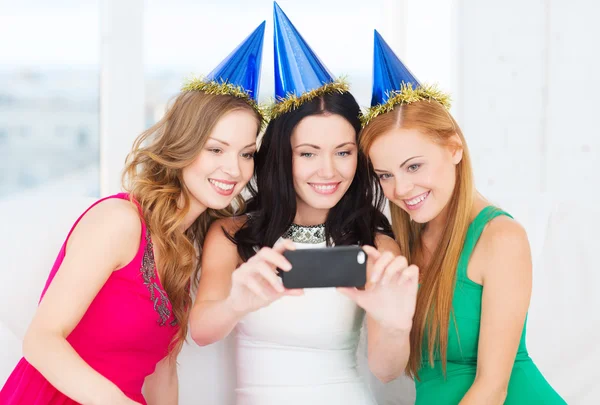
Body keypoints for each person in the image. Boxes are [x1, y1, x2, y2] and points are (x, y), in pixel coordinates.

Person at [0, 22, 266, 405]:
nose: (235, 169)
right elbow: (40, 341)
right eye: (216, 149)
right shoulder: (120, 221)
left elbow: (162, 374)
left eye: (246, 153)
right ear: (184, 146)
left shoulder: (189, 247)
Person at [190, 5, 419, 405]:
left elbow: (386, 370)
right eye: (309, 153)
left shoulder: (376, 245)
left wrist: (396, 323)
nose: (328, 171)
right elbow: (202, 331)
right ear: (282, 156)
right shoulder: (230, 235)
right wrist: (236, 302)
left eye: (343, 152)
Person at [359, 30, 566, 405]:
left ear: (454, 148)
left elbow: (492, 388)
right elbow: (386, 370)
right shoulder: (398, 245)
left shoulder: (500, 237)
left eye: (414, 166)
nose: (401, 189)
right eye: (385, 175)